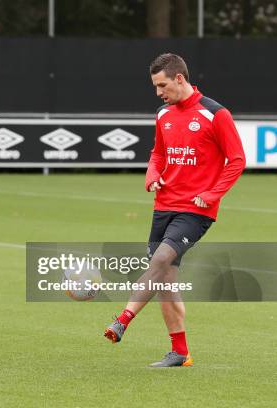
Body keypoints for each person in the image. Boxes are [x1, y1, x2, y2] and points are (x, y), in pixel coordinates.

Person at [103, 53, 245, 367]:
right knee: (165, 281)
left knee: (160, 260)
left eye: (162, 85)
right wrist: (152, 175)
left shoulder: (215, 114)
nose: (158, 92)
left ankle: (123, 319)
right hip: (163, 205)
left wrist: (212, 194)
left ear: (179, 78)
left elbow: (236, 160)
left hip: (196, 210)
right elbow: (158, 154)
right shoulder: (163, 113)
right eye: (155, 86)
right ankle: (179, 352)